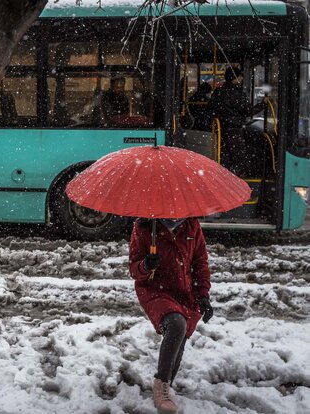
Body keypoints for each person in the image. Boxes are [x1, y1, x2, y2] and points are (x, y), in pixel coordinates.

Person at [128, 217, 213, 414]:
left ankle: (167, 383)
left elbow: (201, 263)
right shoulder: (144, 227)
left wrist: (203, 295)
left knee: (180, 336)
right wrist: (145, 266)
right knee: (176, 324)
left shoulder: (192, 226)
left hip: (185, 292)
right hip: (155, 290)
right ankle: (162, 386)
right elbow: (134, 268)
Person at [209, 67, 266, 175]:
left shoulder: (218, 91)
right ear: (235, 78)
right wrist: (263, 104)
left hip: (220, 129)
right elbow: (249, 111)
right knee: (241, 160)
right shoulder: (237, 93)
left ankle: (225, 178)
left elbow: (211, 107)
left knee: (224, 157)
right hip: (234, 130)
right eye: (240, 77)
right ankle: (234, 180)